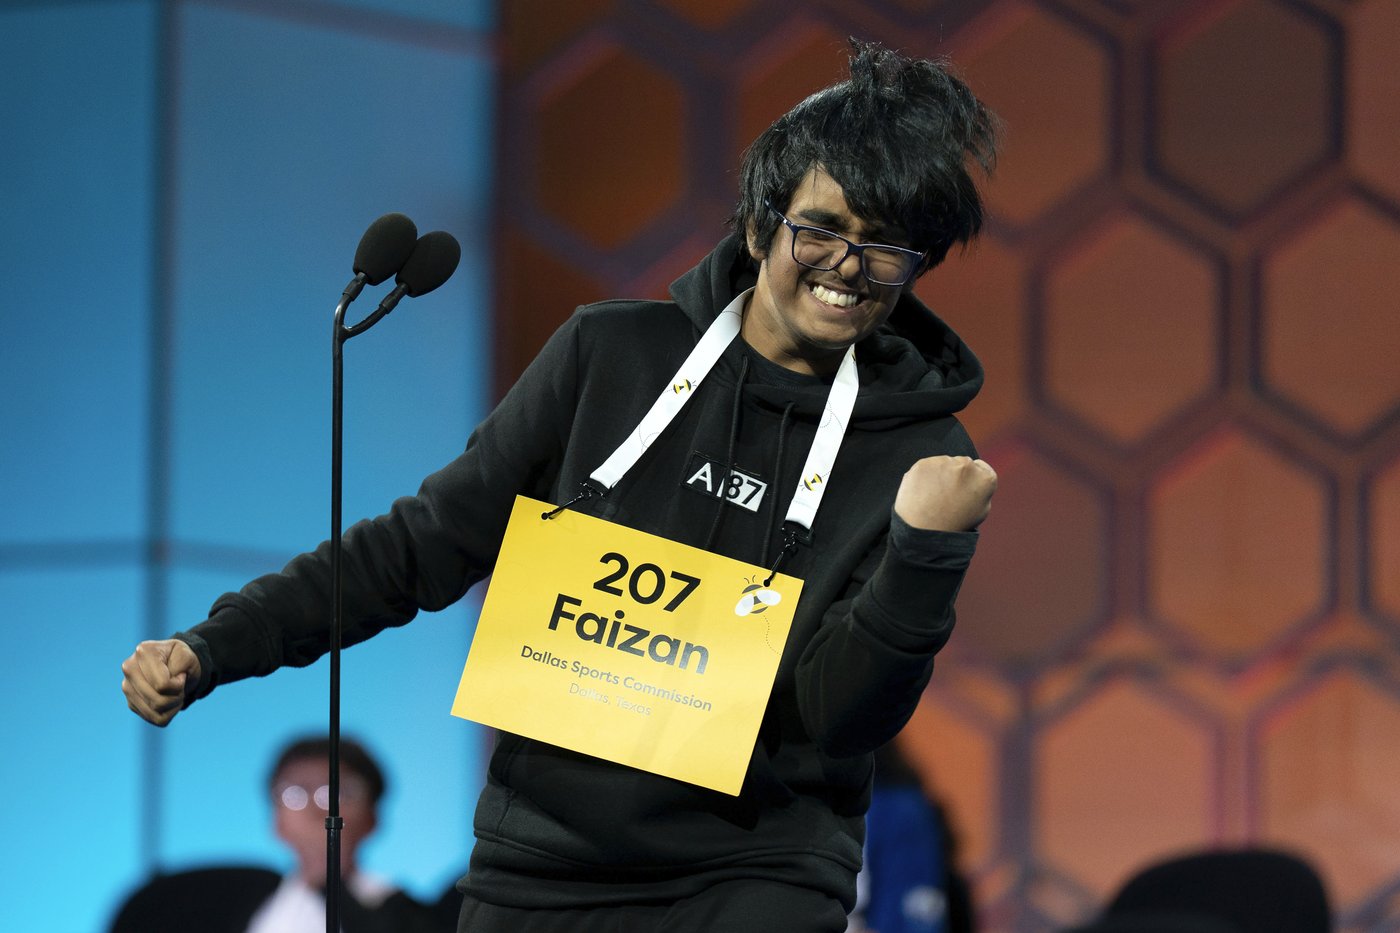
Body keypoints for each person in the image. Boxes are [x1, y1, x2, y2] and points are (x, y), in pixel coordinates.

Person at [121, 38, 1000, 933]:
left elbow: (844, 713)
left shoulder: (921, 452)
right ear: (758, 222)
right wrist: (215, 646)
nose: (848, 266)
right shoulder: (609, 353)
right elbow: (422, 544)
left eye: (886, 246)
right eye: (823, 227)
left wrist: (925, 554)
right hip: (541, 860)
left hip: (755, 872)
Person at [248, 735, 446, 933]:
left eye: (337, 793)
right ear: (276, 822)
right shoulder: (244, 902)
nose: (317, 809)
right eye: (295, 794)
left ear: (372, 817)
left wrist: (329, 881)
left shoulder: (401, 910)